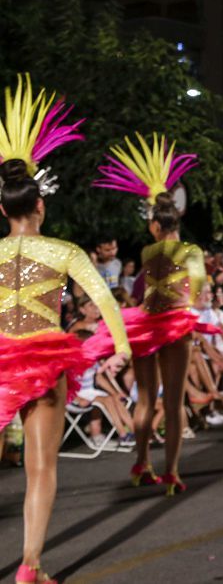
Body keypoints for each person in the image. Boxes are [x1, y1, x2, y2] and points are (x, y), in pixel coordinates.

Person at [0, 75, 129, 584]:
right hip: (45, 358)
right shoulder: (64, 252)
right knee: (39, 468)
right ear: (40, 206)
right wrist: (118, 347)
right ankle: (29, 566)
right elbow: (104, 301)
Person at [86, 133, 210, 495]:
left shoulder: (147, 250)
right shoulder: (191, 251)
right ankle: (171, 473)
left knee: (144, 398)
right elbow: (198, 292)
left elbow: (150, 294)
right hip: (175, 325)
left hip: (145, 325)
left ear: (155, 224)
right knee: (173, 403)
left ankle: (142, 462)